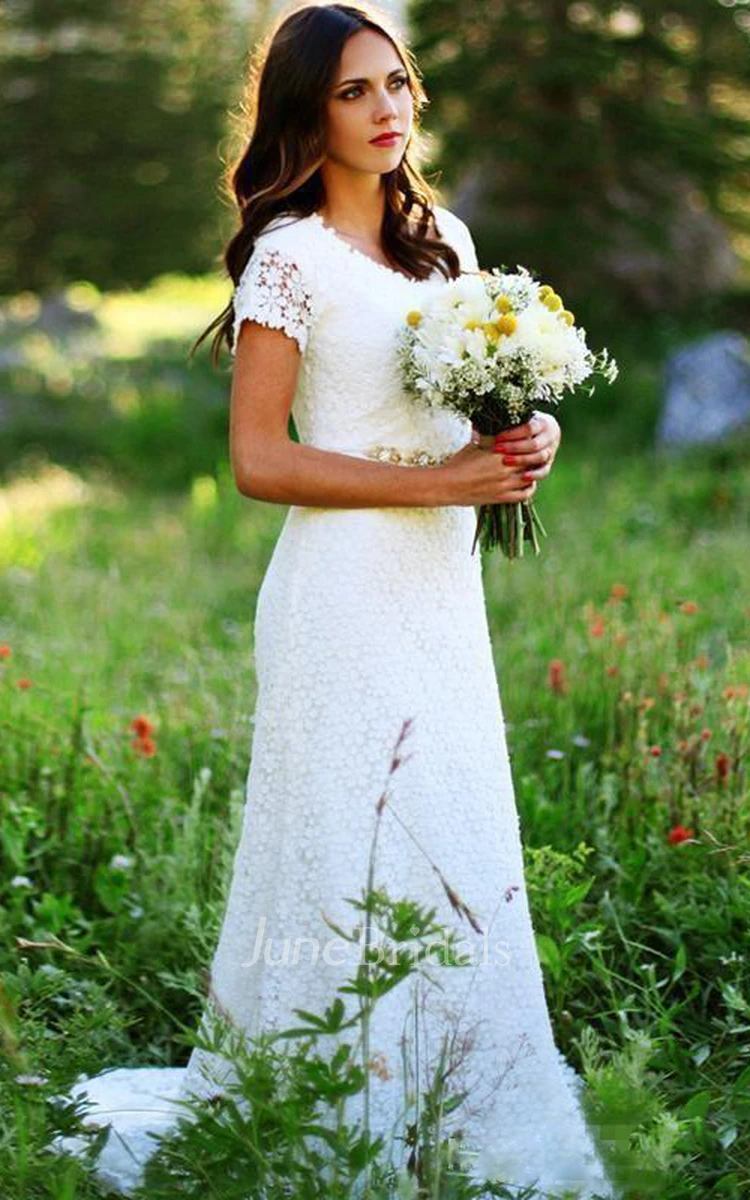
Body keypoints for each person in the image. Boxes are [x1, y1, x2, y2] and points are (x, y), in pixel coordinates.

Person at [51, 4, 617, 1197]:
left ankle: (459, 1097)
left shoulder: (447, 243)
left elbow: (470, 415)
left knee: (451, 825)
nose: (388, 109)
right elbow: (259, 459)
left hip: (438, 591)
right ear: (309, 113)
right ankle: (329, 1106)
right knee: (345, 846)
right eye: (356, 92)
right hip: (340, 595)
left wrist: (522, 436)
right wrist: (443, 478)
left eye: (397, 83)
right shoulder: (289, 257)